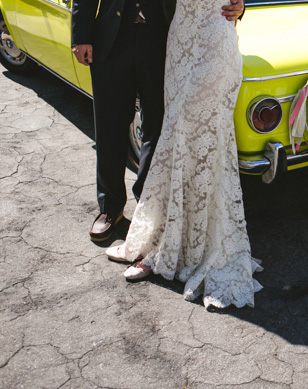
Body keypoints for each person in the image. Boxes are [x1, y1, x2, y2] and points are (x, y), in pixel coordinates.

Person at [104, 0, 263, 309]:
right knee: (175, 137)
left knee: (198, 139)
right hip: (180, 40)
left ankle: (185, 249)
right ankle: (163, 242)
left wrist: (242, 4)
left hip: (215, 42)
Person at [71, 0, 245, 242]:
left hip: (163, 40)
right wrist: (80, 35)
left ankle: (149, 206)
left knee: (159, 127)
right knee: (110, 125)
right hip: (110, 38)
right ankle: (110, 209)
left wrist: (238, 5)